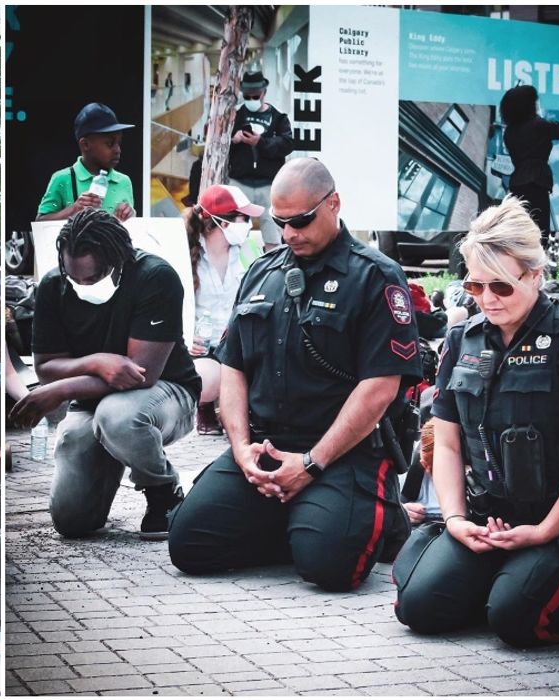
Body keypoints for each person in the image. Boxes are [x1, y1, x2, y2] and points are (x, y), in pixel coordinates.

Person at [167, 158, 421, 591]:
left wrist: (311, 464)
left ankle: (369, 520)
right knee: (189, 545)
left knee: (331, 570)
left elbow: (380, 387)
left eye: (301, 221)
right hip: (267, 447)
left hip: (340, 453)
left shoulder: (375, 276)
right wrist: (243, 449)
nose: (289, 235)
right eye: (281, 223)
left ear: (334, 204)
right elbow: (233, 367)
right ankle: (300, 522)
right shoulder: (263, 272)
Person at [392, 196, 559, 647]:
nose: (487, 300)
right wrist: (457, 519)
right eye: (474, 287)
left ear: (535, 274)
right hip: (488, 516)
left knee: (516, 622)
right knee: (419, 608)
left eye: (500, 286)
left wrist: (544, 531)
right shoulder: (461, 339)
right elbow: (447, 442)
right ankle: (505, 580)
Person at [10, 209, 198, 539]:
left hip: (166, 393)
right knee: (72, 521)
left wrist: (58, 391)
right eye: (74, 277)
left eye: (92, 278)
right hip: (91, 402)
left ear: (119, 260)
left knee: (118, 418)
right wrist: (98, 362)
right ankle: (115, 452)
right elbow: (46, 367)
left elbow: (141, 374)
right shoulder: (54, 286)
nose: (82, 285)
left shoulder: (155, 277)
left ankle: (163, 491)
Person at [186, 184, 264, 436]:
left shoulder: (250, 248)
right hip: (202, 348)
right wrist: (185, 337)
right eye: (243, 218)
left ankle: (247, 414)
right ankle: (206, 407)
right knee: (205, 381)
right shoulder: (185, 250)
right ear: (220, 221)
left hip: (240, 342)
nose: (248, 224)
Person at [501, 82, 559, 240]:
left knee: (521, 234)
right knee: (539, 234)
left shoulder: (509, 132)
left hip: (517, 185)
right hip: (536, 183)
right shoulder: (538, 125)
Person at [227, 71, 295, 253]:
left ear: (264, 93)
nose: (251, 99)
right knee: (236, 229)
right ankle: (239, 267)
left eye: (255, 96)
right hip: (240, 181)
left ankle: (273, 263)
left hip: (268, 183)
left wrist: (261, 142)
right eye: (247, 96)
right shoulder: (235, 116)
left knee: (271, 227)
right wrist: (233, 140)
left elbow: (287, 144)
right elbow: (220, 147)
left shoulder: (278, 117)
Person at [37, 103, 136, 222]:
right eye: (110, 143)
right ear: (85, 145)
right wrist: (73, 210)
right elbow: (40, 223)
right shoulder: (62, 179)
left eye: (119, 143)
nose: (117, 150)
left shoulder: (124, 182)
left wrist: (131, 215)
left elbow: (129, 232)